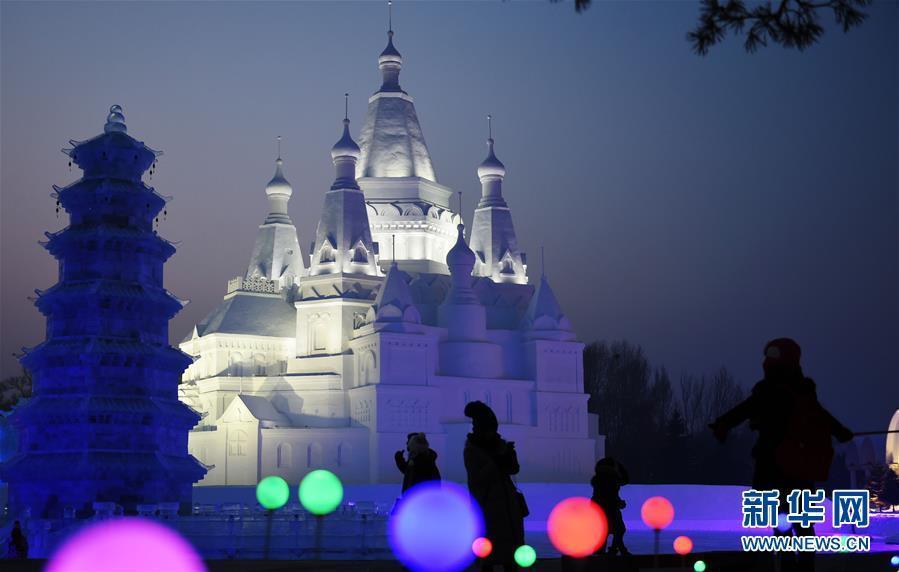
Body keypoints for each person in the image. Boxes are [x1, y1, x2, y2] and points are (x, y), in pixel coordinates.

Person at [709, 338, 853, 572]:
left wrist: (722, 424)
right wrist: (841, 432)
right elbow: (821, 415)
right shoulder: (804, 389)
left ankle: (789, 565)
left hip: (773, 467)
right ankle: (804, 566)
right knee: (802, 522)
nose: (766, 361)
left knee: (782, 521)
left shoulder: (768, 390)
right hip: (799, 467)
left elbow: (745, 409)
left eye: (772, 355)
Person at [463, 401, 526, 571]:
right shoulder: (472, 450)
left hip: (507, 506)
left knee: (509, 555)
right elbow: (477, 479)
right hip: (488, 506)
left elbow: (514, 469)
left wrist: (508, 455)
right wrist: (497, 459)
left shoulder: (500, 445)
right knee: (488, 554)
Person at [591, 457, 630, 556]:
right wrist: (618, 503)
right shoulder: (610, 479)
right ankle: (613, 550)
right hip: (609, 509)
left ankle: (610, 550)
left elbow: (607, 495)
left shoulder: (601, 479)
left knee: (611, 530)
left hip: (604, 508)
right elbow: (609, 495)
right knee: (617, 530)